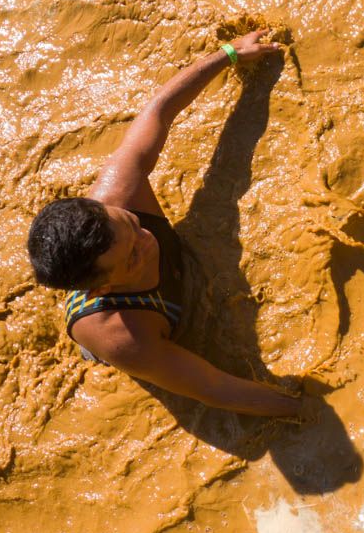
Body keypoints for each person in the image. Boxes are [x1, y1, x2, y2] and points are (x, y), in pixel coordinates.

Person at [26, 30, 302, 418]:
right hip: (140, 323)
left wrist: (230, 54)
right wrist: (305, 412)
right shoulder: (123, 337)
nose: (146, 238)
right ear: (103, 286)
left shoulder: (118, 191)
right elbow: (215, 388)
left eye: (131, 223)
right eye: (133, 255)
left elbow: (159, 111)